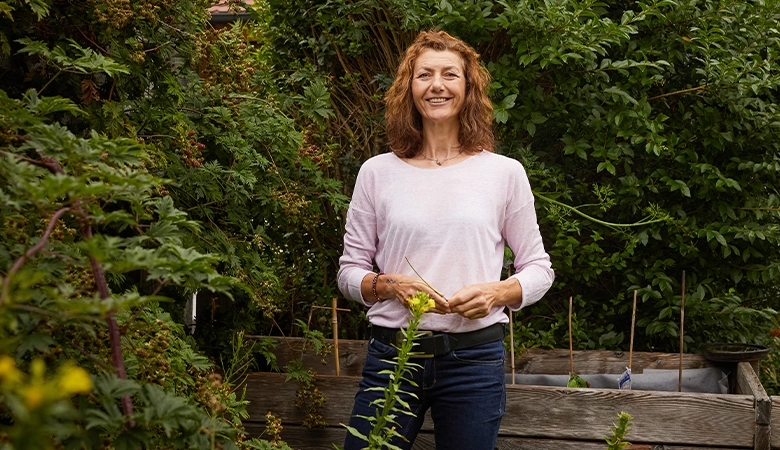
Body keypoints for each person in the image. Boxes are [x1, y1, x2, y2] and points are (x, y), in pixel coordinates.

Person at [337, 30, 554, 450]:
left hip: (473, 360)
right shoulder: (377, 172)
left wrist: (499, 292)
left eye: (450, 75)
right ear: (409, 88)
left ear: (468, 88)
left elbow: (539, 269)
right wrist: (388, 285)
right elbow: (349, 272)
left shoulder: (503, 173)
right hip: (392, 357)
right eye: (424, 75)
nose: (437, 85)